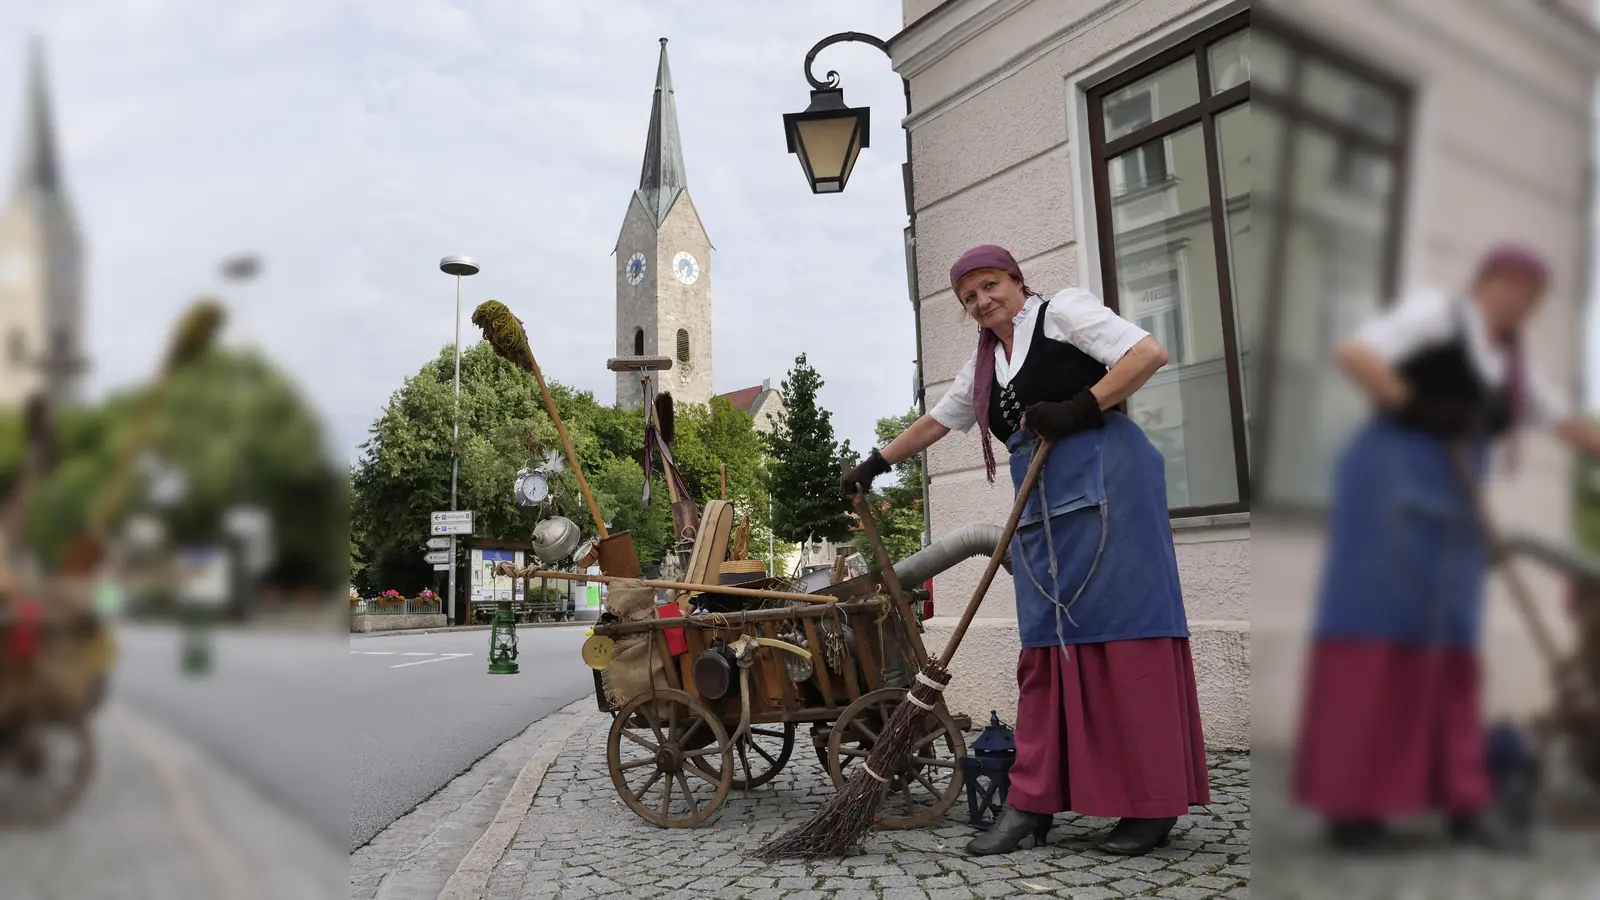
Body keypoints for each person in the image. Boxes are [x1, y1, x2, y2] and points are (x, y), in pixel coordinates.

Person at [840, 245, 1210, 857]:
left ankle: (1152, 803)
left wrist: (1080, 404)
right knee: (1044, 647)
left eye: (990, 286)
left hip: (1111, 486)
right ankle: (1033, 802)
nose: (983, 301)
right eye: (969, 297)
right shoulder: (985, 368)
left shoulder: (1062, 312)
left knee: (1124, 638)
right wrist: (874, 464)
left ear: (1016, 280)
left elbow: (1147, 353)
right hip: (1041, 504)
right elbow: (938, 421)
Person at [1292, 242, 1600, 852]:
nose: (1517, 300)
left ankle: (1460, 800)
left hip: (1456, 505)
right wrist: (1417, 404)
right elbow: (1355, 355)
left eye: (1530, 294)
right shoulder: (1435, 314)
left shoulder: (1513, 367)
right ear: (1486, 281)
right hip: (1387, 493)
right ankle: (1353, 809)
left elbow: (1563, 420)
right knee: (1378, 644)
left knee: (1449, 647)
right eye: (1509, 284)